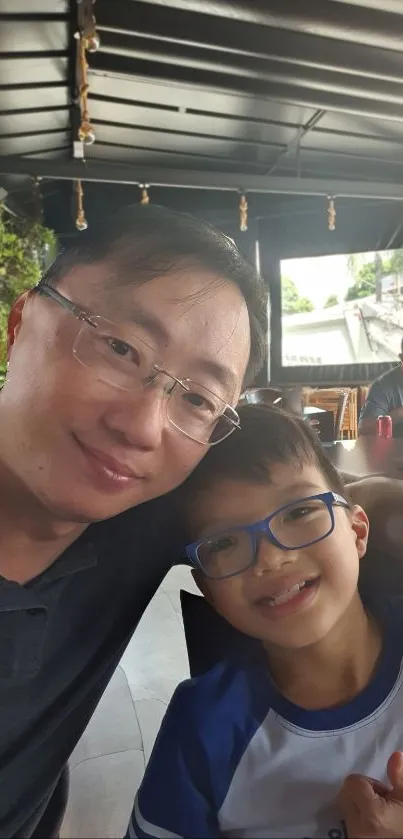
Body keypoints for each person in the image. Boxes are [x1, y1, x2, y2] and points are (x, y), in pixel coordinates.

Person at [0, 204, 266, 838]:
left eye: (198, 399)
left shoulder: (143, 513)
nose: (142, 427)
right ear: (21, 321)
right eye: (121, 348)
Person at [128, 405, 403, 839]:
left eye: (298, 513)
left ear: (357, 531)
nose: (271, 558)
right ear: (208, 590)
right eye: (225, 541)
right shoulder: (203, 729)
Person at [359, 338, 403, 435]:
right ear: (401, 358)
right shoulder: (381, 387)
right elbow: (365, 431)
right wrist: (398, 415)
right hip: (394, 448)